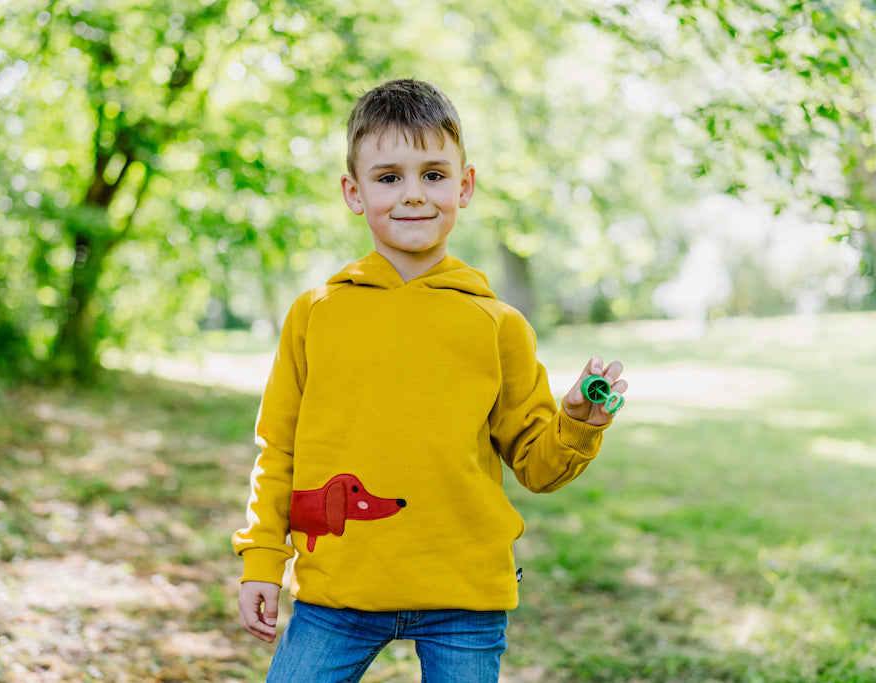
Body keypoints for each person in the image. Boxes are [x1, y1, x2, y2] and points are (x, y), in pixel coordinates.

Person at [232, 78, 627, 682]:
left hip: (464, 598)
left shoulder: (498, 325)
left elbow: (538, 466)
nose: (413, 195)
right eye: (389, 177)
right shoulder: (316, 314)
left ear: (463, 186)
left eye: (433, 175)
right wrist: (262, 559)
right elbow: (279, 447)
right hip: (338, 593)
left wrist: (577, 424)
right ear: (354, 191)